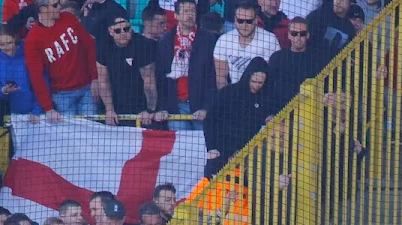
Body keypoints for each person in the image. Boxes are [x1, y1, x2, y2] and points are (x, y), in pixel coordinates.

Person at [25, 0, 98, 120]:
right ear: (43, 9)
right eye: (55, 5)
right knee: (70, 137)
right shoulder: (32, 40)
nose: (59, 7)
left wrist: (95, 78)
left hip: (87, 89)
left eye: (59, 3)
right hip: (62, 95)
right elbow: (36, 76)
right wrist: (48, 108)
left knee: (92, 131)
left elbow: (89, 46)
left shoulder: (69, 18)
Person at [154, 0, 218, 132]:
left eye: (193, 11)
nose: (190, 15)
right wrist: (163, 108)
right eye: (186, 11)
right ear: (176, 15)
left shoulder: (208, 39)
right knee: (180, 149)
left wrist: (207, 107)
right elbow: (160, 77)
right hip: (176, 107)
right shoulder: (166, 40)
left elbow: (213, 77)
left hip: (200, 106)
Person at [204, 57, 272, 176]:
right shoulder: (228, 92)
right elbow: (210, 120)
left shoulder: (265, 98)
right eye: (253, 82)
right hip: (220, 152)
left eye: (260, 83)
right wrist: (212, 147)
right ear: (247, 77)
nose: (256, 86)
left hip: (246, 156)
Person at [96, 13, 156, 125]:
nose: (123, 33)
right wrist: (109, 110)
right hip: (118, 108)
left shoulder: (143, 45)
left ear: (131, 28)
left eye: (126, 29)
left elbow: (149, 82)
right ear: (110, 31)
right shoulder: (104, 47)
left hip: (142, 108)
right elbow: (103, 81)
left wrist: (150, 110)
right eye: (118, 31)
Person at [213, 3, 279, 88]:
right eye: (240, 21)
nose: (244, 25)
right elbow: (221, 77)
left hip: (261, 94)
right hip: (235, 94)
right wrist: (225, 98)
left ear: (255, 20)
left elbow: (272, 77)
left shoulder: (270, 40)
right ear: (235, 20)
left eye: (249, 21)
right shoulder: (224, 40)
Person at [267, 17, 326, 110]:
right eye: (294, 34)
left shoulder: (318, 59)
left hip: (310, 109)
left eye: (302, 34)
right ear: (289, 35)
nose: (298, 38)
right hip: (281, 111)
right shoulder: (277, 58)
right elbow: (269, 87)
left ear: (308, 35)